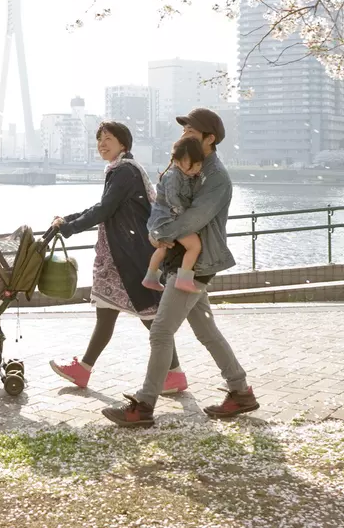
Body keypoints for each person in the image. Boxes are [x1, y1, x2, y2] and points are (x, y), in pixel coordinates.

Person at [103, 107, 258, 427]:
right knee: (207, 332)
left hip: (197, 263)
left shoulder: (216, 178)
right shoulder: (187, 165)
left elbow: (193, 219)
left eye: (190, 133)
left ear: (210, 139)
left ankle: (144, 405)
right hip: (183, 260)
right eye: (183, 132)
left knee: (160, 331)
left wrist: (158, 233)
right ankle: (241, 391)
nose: (184, 136)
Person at [48, 121, 186, 394]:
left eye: (108, 138)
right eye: (99, 139)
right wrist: (69, 219)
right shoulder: (122, 170)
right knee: (109, 313)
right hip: (125, 254)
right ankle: (84, 369)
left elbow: (105, 209)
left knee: (150, 316)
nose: (102, 143)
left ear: (124, 143)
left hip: (131, 256)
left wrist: (70, 227)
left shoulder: (124, 171)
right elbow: (104, 207)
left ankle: (174, 374)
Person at [142, 135, 205, 293]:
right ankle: (183, 279)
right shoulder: (173, 176)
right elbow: (172, 199)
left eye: (199, 164)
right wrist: (185, 217)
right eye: (194, 164)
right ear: (178, 161)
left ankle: (150, 277)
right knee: (194, 246)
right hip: (169, 220)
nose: (198, 168)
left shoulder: (185, 174)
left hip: (162, 221)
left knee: (163, 248)